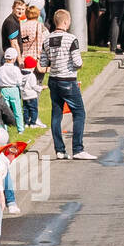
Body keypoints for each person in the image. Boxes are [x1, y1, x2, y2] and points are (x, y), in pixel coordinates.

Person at [41, 9, 96, 160]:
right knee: (79, 113)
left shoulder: (47, 40)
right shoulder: (71, 39)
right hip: (68, 80)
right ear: (65, 22)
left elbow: (43, 62)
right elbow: (77, 62)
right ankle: (78, 149)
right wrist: (78, 65)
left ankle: (59, 150)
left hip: (53, 80)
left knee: (56, 114)